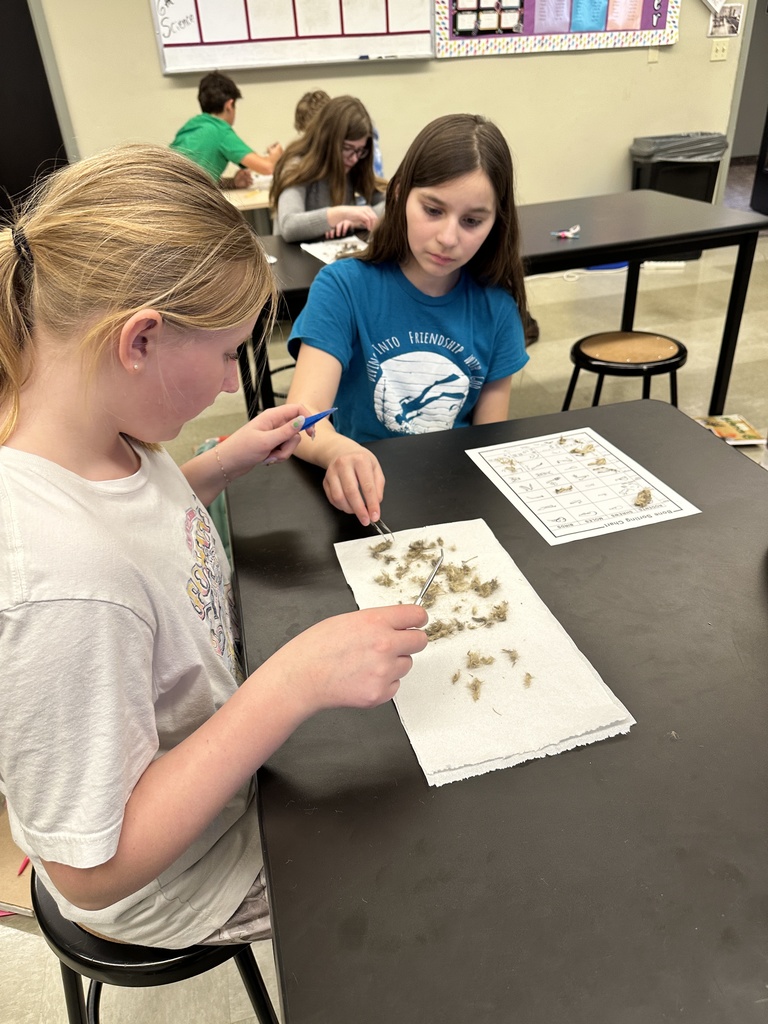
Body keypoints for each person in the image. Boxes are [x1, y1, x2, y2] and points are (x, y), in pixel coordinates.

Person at [0, 144, 427, 949]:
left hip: (208, 763)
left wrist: (220, 466)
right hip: (181, 878)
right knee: (430, 860)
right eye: (230, 354)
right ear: (140, 340)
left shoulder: (91, 427)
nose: (235, 383)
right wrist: (290, 684)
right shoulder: (59, 585)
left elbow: (138, 528)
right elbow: (93, 869)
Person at [285, 113, 530, 528]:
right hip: (362, 501)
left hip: (454, 501)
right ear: (399, 194)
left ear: (496, 222)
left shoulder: (497, 310)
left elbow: (488, 443)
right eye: (433, 210)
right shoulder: (343, 288)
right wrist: (336, 450)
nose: (448, 238)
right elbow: (302, 418)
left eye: (472, 221)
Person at [270, 95, 386, 242]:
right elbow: (289, 226)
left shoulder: (354, 164)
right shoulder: (296, 164)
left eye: (360, 150)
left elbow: (393, 204)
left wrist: (358, 219)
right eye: (347, 148)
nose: (354, 158)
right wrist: (341, 214)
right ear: (327, 140)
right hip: (292, 254)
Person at [169, 71, 283, 190]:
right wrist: (276, 155)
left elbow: (194, 181)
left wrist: (233, 183)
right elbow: (267, 168)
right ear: (229, 105)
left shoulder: (189, 127)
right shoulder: (220, 131)